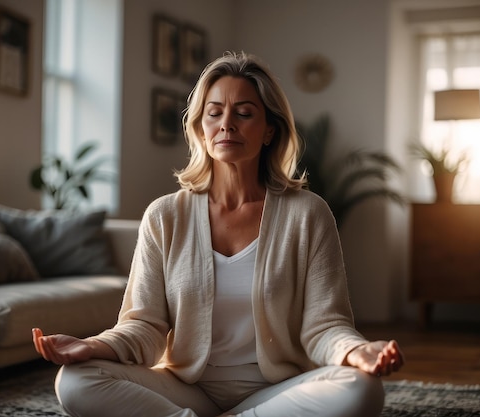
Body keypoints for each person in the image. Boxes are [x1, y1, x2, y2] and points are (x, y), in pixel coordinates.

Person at [32, 51, 404, 417]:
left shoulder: (308, 214)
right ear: (200, 128)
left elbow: (324, 326)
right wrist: (93, 346)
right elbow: (144, 326)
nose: (227, 124)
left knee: (361, 390)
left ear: (269, 130)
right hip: (187, 389)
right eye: (214, 113)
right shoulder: (164, 215)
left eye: (244, 113)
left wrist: (356, 352)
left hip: (278, 391)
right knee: (74, 380)